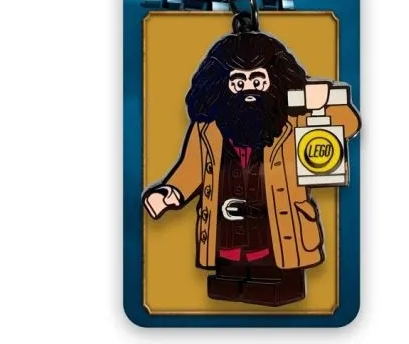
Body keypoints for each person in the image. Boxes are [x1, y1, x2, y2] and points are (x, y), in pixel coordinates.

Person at [143, 32, 360, 306]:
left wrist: (321, 102)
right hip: (225, 236)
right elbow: (191, 169)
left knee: (275, 280)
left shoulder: (294, 119)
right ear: (221, 84)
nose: (249, 89)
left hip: (281, 232)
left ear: (274, 80)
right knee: (228, 285)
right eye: (238, 82)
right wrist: (169, 193)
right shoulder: (207, 128)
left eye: (257, 81)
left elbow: (349, 124)